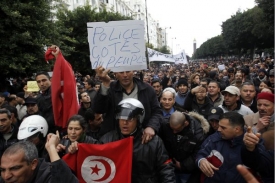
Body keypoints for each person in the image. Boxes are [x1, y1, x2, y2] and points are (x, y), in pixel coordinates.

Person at [69, 98, 176, 183]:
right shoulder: (107, 139)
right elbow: (94, 155)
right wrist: (76, 149)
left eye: (129, 119)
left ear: (138, 119)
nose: (125, 122)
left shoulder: (153, 141)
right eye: (121, 118)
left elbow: (165, 168)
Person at [93, 66, 162, 144]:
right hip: (115, 141)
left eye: (128, 71)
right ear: (115, 73)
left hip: (142, 140)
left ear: (133, 72)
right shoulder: (110, 88)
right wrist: (105, 84)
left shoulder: (147, 90)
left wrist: (151, 126)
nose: (125, 75)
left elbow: (157, 111)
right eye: (121, 72)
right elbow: (98, 109)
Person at [0, 135, 78, 183]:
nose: (6, 176)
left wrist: (51, 148)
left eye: (15, 168)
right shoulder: (5, 179)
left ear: (33, 164)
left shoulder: (48, 175)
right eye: (3, 170)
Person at [159, 111, 209, 183]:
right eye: (172, 129)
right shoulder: (165, 124)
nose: (174, 132)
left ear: (185, 123)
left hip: (186, 171)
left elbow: (198, 153)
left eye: (177, 130)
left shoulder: (197, 134)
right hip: (169, 165)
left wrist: (182, 165)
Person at [196, 112, 246, 183]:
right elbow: (200, 154)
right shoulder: (213, 138)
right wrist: (201, 161)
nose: (219, 129)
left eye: (223, 127)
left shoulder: (251, 143)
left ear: (237, 129)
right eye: (219, 126)